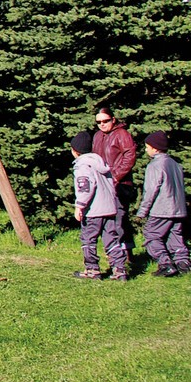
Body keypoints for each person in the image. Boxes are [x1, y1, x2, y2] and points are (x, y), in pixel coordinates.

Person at [71, 131, 128, 281]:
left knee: (88, 240)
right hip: (109, 209)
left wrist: (79, 206)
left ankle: (92, 269)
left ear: (75, 151)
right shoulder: (102, 164)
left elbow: (85, 188)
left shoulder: (82, 166)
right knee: (111, 240)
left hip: (93, 211)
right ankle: (120, 269)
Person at [135, 131, 189, 277]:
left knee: (151, 234)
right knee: (175, 235)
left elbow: (151, 190)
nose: (146, 150)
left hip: (162, 208)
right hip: (179, 209)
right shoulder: (175, 164)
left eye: (147, 147)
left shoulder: (155, 165)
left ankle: (165, 264)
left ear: (155, 148)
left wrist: (142, 211)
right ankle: (183, 263)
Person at [92, 106, 138, 251]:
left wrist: (115, 176)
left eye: (105, 121)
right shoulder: (97, 136)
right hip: (103, 184)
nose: (102, 124)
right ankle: (114, 251)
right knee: (109, 219)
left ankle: (126, 252)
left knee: (120, 218)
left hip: (120, 184)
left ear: (113, 119)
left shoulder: (122, 134)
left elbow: (129, 157)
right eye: (98, 122)